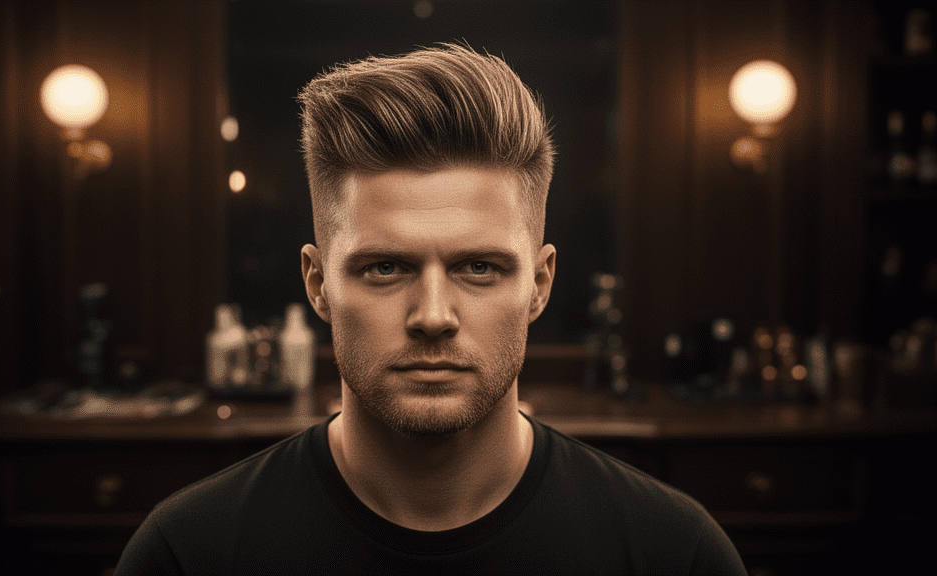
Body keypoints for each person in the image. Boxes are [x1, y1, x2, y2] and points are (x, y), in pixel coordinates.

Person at [114, 43, 747, 575]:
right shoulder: (188, 555)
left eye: (480, 268)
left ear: (539, 284)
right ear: (318, 284)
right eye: (385, 268)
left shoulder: (674, 554)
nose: (434, 316)